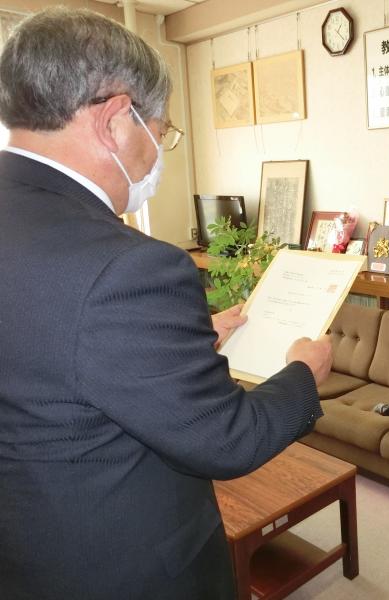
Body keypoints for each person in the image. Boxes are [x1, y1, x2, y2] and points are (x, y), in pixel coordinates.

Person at [0, 8, 331, 600]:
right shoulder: (130, 266)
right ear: (116, 119)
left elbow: (54, 349)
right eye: (162, 130)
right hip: (125, 568)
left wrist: (185, 342)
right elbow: (227, 438)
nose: (159, 152)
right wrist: (304, 372)